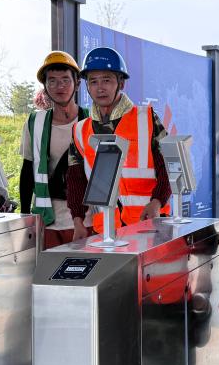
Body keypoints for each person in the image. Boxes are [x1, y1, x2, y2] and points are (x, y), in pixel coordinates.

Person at [66, 46, 170, 239]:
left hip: (150, 225)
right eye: (93, 81)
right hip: (106, 231)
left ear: (121, 83)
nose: (100, 88)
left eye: (107, 80)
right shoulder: (80, 130)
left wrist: (157, 202)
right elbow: (75, 180)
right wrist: (78, 221)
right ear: (87, 86)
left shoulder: (146, 118)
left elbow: (168, 165)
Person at [19, 51, 88, 249]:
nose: (60, 86)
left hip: (86, 221)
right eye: (52, 81)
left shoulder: (92, 121)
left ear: (77, 84)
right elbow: (27, 170)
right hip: (47, 221)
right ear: (45, 87)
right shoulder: (35, 122)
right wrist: (25, 217)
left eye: (66, 80)